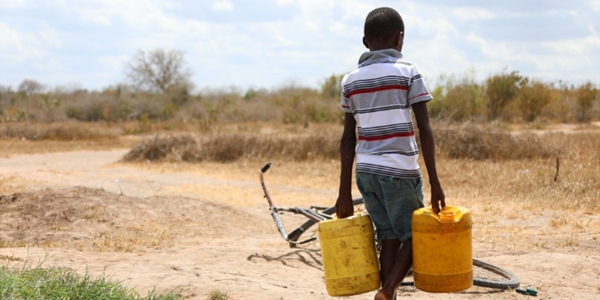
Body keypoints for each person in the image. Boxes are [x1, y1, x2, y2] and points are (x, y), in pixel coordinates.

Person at [335, 7, 446, 300]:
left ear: (364, 42)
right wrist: (435, 182)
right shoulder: (408, 72)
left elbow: (348, 139)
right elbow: (425, 129)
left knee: (388, 235)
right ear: (400, 39)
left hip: (366, 173)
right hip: (399, 170)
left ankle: (389, 295)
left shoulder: (350, 81)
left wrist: (344, 192)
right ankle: (388, 290)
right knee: (415, 234)